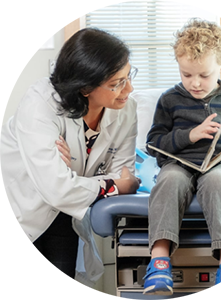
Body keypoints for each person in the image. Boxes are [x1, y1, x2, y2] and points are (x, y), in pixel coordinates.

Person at [0, 27, 140, 300]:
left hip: (65, 217)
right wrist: (112, 184)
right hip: (18, 208)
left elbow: (126, 174)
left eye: (129, 76)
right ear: (85, 87)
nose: (129, 90)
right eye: (117, 83)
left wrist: (70, 174)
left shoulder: (127, 111)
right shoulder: (41, 103)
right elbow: (61, 188)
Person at [143, 18, 221, 296]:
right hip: (179, 165)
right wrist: (190, 135)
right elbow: (153, 144)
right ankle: (159, 261)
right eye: (186, 75)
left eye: (204, 75)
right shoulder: (169, 100)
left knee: (220, 180)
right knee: (170, 178)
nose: (195, 83)